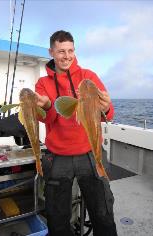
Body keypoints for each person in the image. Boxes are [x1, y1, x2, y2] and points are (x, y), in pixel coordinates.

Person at [35, 30, 118, 236]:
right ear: (51, 52)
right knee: (57, 216)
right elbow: (45, 118)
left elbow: (107, 115)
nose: (67, 56)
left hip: (89, 154)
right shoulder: (43, 83)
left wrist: (105, 106)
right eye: (61, 51)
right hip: (58, 157)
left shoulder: (88, 77)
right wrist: (46, 106)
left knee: (103, 212)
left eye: (70, 50)